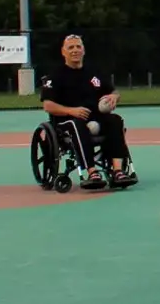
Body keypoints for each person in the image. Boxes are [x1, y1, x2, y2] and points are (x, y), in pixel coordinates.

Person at [39, 34, 134, 188]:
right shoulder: (55, 76)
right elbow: (48, 105)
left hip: (94, 115)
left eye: (78, 47)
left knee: (115, 120)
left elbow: (114, 92)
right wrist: (72, 111)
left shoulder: (94, 71)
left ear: (83, 50)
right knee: (77, 125)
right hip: (66, 120)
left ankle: (118, 171)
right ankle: (91, 171)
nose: (75, 50)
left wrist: (114, 97)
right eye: (71, 47)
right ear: (63, 52)